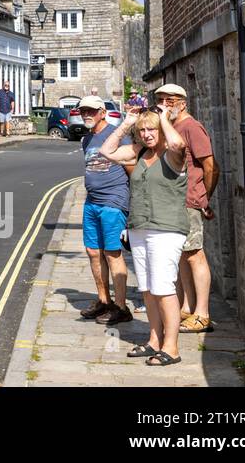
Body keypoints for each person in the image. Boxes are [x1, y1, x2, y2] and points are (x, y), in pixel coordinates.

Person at [100, 106, 188, 366]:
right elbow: (107, 151)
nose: (148, 134)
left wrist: (162, 118)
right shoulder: (140, 153)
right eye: (143, 130)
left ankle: (171, 347)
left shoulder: (174, 155)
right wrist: (127, 123)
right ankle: (154, 340)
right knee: (148, 289)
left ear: (161, 129)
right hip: (140, 229)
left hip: (166, 229)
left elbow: (177, 142)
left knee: (164, 289)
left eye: (152, 130)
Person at [153, 83, 219, 333]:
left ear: (182, 102)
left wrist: (203, 197)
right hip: (174, 200)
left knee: (195, 254)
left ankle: (202, 313)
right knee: (182, 255)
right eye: (160, 99)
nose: (164, 104)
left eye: (169, 100)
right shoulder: (171, 125)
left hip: (189, 200)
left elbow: (210, 165)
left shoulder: (191, 126)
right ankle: (188, 308)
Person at [76, 95, 132, 326]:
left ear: (102, 112)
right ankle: (103, 300)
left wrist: (134, 204)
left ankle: (121, 307)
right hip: (92, 203)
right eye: (83, 111)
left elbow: (132, 169)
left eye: (91, 111)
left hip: (113, 201)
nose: (86, 115)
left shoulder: (118, 135)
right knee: (92, 251)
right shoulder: (86, 140)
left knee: (112, 253)